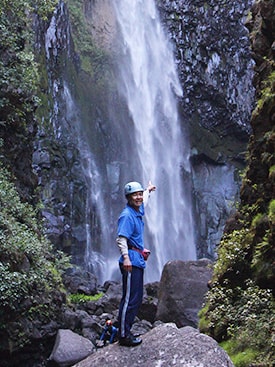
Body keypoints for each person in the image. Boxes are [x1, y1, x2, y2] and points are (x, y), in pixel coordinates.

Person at [116, 180, 156, 347]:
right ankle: (124, 335)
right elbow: (121, 238)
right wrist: (126, 257)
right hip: (131, 261)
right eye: (135, 195)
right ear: (129, 197)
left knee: (137, 298)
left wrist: (148, 190)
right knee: (130, 299)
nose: (139, 197)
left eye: (139, 194)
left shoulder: (137, 209)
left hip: (137, 260)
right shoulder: (127, 216)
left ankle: (125, 329)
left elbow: (144, 199)